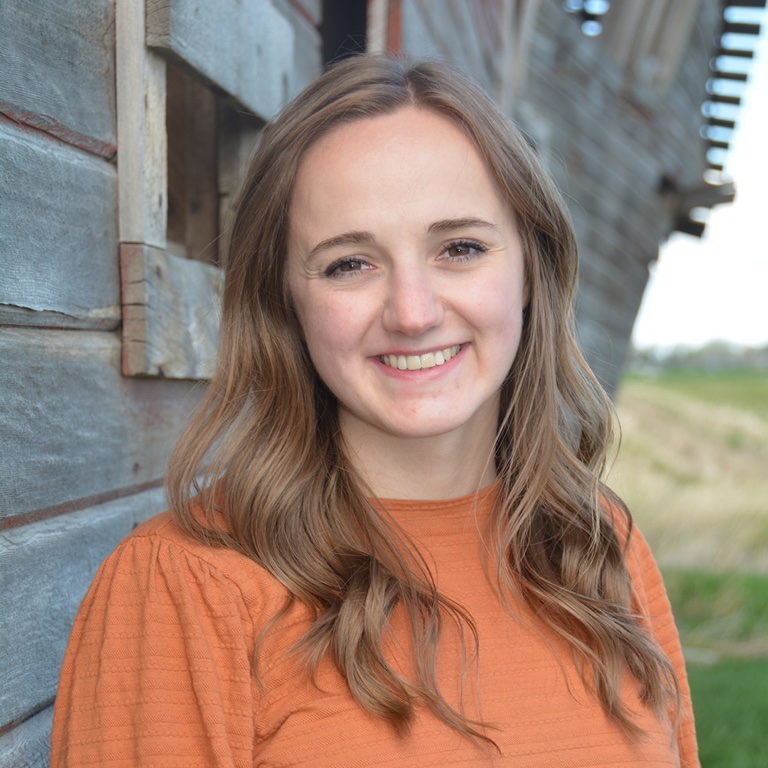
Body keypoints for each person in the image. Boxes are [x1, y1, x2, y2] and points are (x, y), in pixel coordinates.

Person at [50, 55, 698, 766]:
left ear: (528, 272)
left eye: (460, 248)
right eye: (349, 264)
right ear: (285, 302)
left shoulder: (598, 546)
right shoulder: (186, 587)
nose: (413, 313)